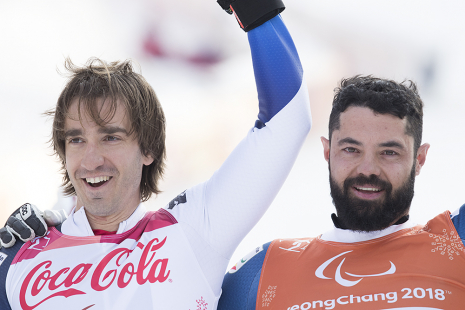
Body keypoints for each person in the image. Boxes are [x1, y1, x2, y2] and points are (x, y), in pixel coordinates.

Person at [0, 0, 311, 309]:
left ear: (148, 148)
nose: (91, 160)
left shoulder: (192, 231)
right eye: (77, 140)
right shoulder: (20, 258)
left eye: (111, 137)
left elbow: (286, 123)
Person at [218, 76, 465, 309]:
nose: (368, 169)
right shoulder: (263, 269)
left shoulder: (456, 243)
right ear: (327, 151)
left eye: (389, 152)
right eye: (351, 149)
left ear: (419, 159)